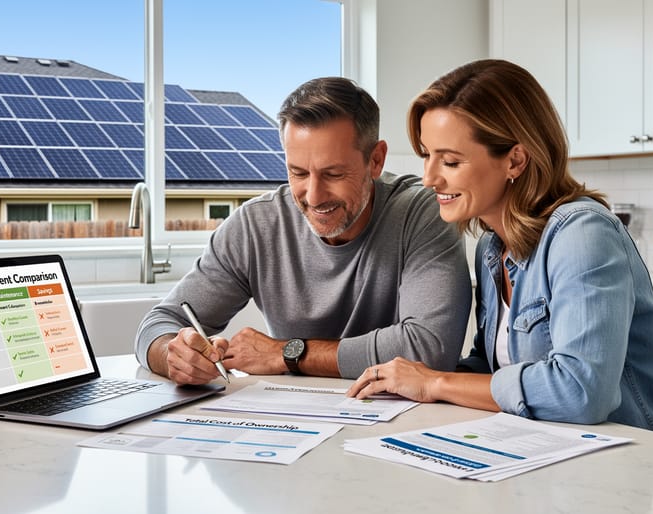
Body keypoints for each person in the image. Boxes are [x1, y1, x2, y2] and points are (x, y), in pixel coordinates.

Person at [347, 60, 653, 442]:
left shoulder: (582, 235)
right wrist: (412, 382)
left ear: (515, 160)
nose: (429, 178)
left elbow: (581, 391)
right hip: (564, 452)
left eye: (450, 161)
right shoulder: (491, 248)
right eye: (427, 155)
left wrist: (435, 383)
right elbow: (495, 367)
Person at [135, 76, 471, 385]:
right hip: (292, 419)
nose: (314, 196)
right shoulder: (255, 226)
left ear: (375, 160)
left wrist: (288, 353)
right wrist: (174, 356)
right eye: (298, 173)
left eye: (333, 174)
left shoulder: (422, 213)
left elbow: (430, 349)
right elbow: (157, 325)